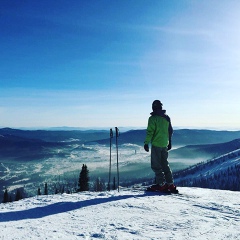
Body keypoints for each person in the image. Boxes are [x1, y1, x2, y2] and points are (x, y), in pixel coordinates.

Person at [144, 100, 177, 192]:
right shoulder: (166, 118)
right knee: (165, 164)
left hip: (156, 144)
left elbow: (150, 132)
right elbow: (170, 131)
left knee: (156, 165)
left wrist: (146, 143)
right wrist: (169, 142)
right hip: (164, 144)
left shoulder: (153, 118)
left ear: (153, 107)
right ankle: (170, 184)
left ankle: (161, 184)